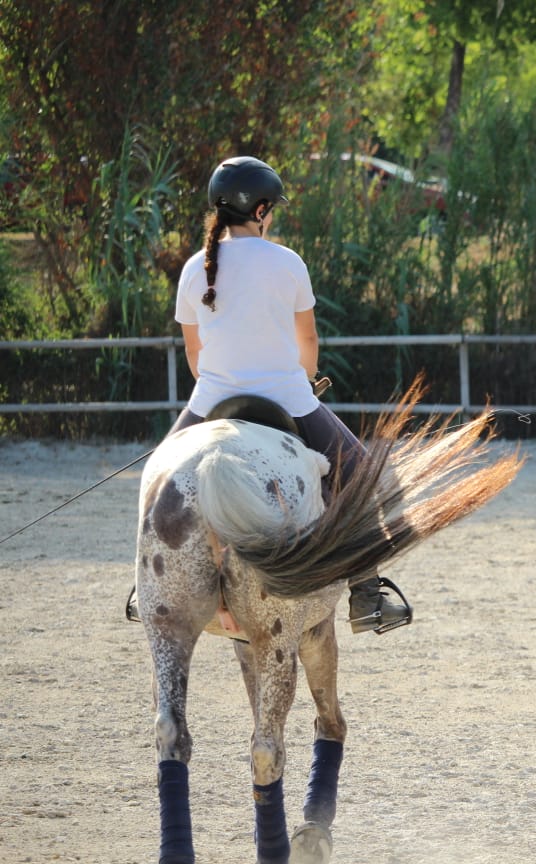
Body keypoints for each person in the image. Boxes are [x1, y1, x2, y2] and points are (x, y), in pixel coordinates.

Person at [126, 155, 410, 634]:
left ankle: (145, 585)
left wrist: (228, 377)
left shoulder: (196, 269)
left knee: (155, 480)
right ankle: (366, 595)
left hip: (210, 402)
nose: (272, 214)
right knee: (363, 478)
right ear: (259, 211)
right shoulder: (288, 263)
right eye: (271, 208)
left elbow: (195, 357)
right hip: (290, 398)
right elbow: (309, 344)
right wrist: (302, 376)